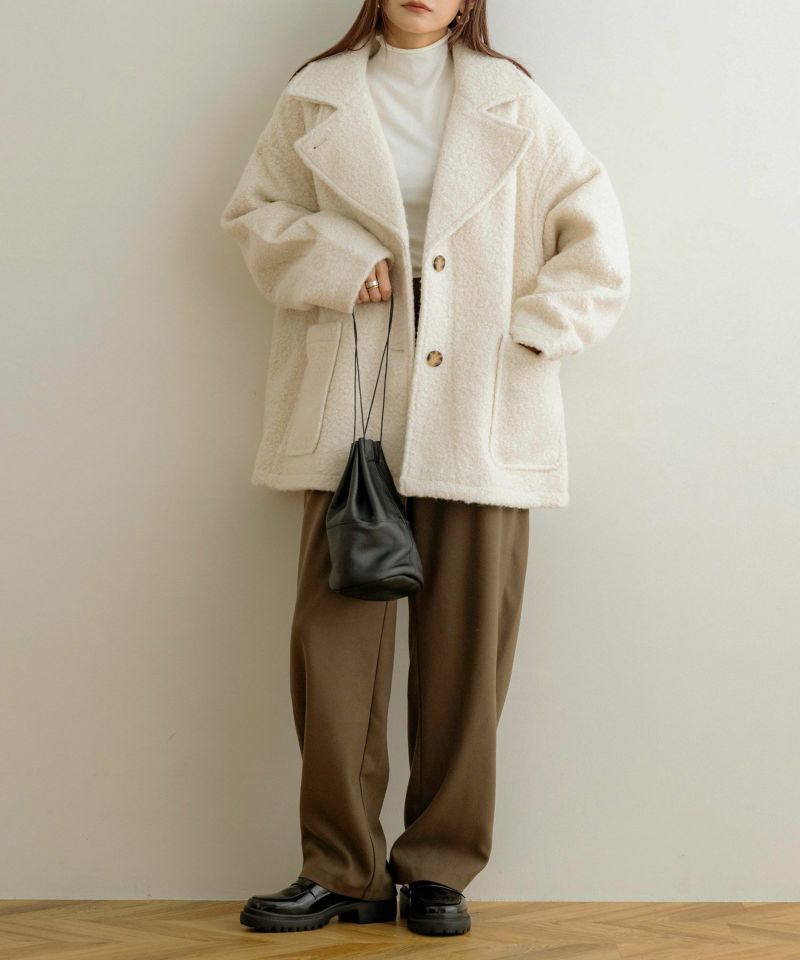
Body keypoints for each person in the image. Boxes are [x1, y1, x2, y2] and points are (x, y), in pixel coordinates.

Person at [219, 0, 631, 938]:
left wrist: (532, 333)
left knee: (465, 657)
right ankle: (341, 870)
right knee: (335, 655)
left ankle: (439, 869)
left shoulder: (512, 100)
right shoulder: (318, 94)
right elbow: (254, 215)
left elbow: (596, 239)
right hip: (351, 409)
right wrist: (332, 254)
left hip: (479, 409)